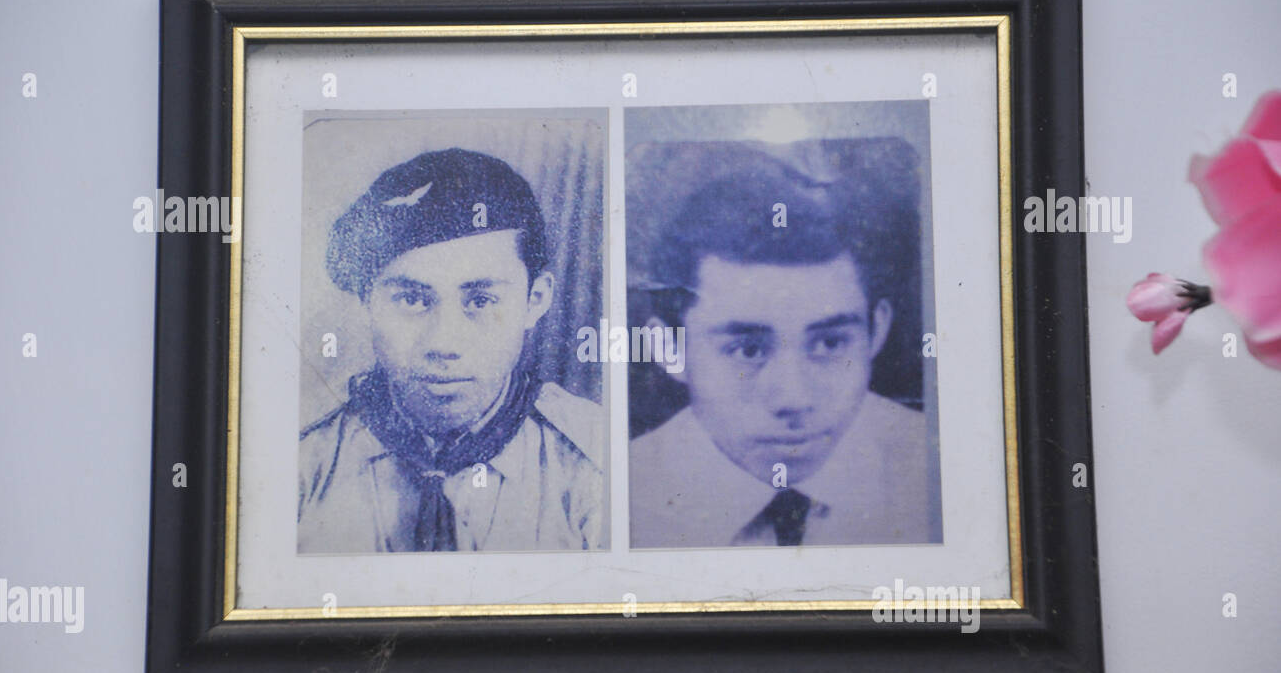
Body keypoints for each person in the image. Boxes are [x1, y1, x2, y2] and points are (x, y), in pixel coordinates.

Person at [629, 146, 939, 548]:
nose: (794, 399)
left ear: (876, 331)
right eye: (748, 350)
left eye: (829, 342)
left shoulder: (941, 472)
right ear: (668, 348)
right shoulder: (626, 497)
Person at [298, 147, 606, 553]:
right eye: (411, 300)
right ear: (366, 302)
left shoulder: (597, 463)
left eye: (480, 301)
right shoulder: (302, 463)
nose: (443, 344)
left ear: (536, 300)